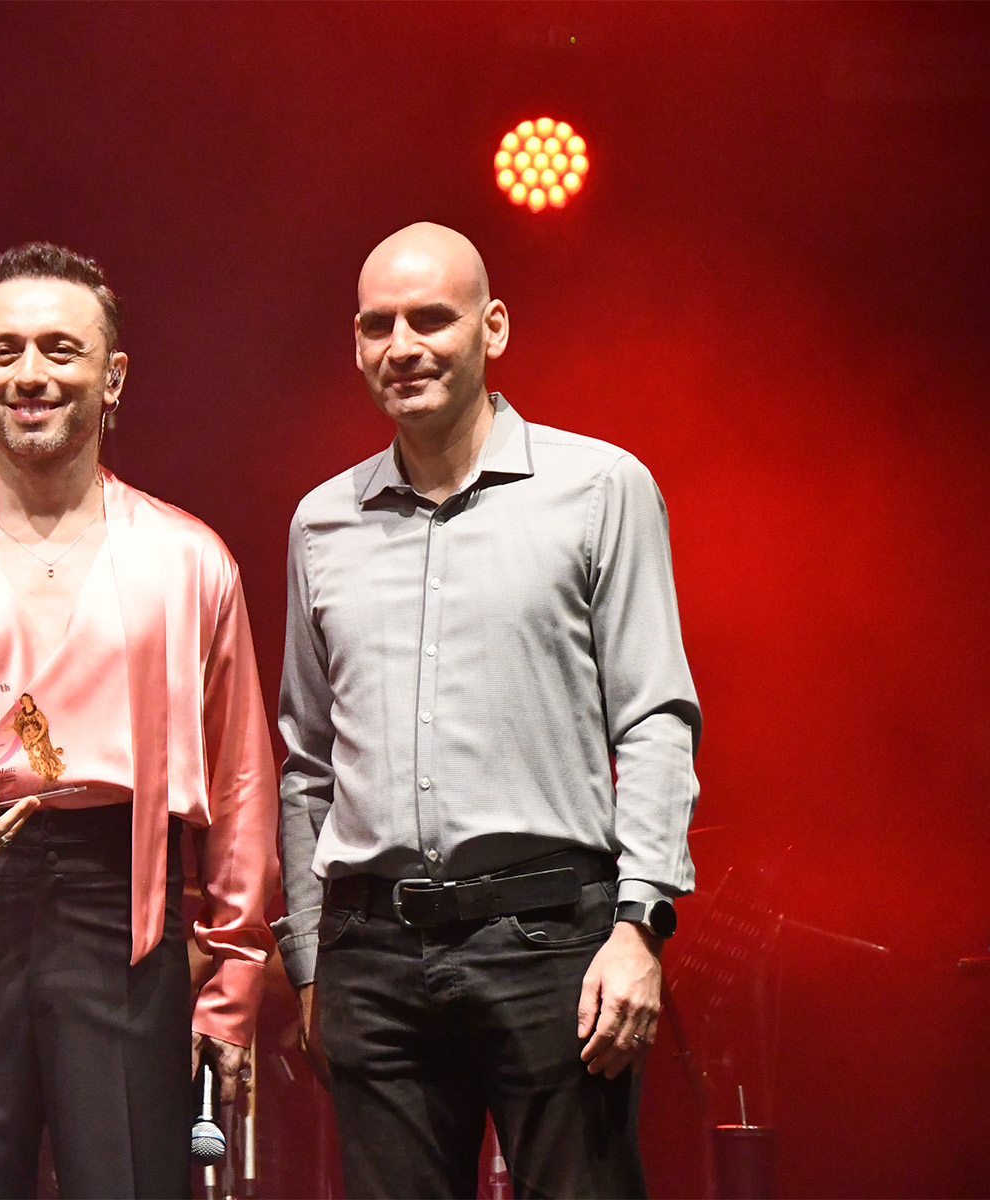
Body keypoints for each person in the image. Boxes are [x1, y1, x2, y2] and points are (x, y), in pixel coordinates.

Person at [0, 243, 279, 1199]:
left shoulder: (189, 561)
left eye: (60, 349)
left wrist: (234, 983)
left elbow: (241, 783)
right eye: (7, 351)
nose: (31, 373)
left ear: (113, 377)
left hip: (127, 911)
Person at [275, 223, 700, 1198]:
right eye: (378, 325)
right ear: (354, 343)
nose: (403, 346)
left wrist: (640, 926)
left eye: (432, 319)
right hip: (373, 956)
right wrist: (310, 963)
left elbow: (655, 719)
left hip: (554, 944)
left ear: (493, 328)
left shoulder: (600, 489)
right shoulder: (322, 523)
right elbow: (307, 763)